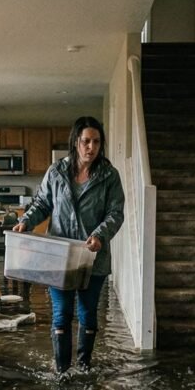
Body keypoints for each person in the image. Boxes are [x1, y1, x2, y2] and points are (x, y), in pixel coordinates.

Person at [12, 116, 125, 374]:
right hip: (59, 256)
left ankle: (84, 367)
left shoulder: (109, 176)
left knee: (87, 313)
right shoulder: (56, 172)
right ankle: (62, 372)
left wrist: (99, 235)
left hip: (92, 256)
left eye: (96, 142)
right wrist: (26, 221)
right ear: (75, 142)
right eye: (86, 141)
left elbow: (115, 213)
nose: (91, 147)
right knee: (61, 314)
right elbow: (42, 203)